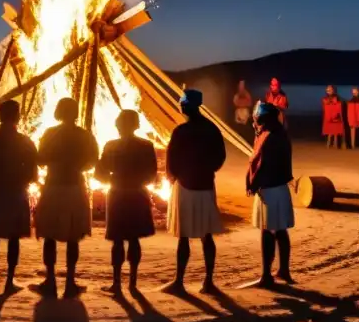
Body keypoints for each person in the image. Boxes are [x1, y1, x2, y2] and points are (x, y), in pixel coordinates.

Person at [34, 97, 99, 298]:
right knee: (73, 237)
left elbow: (40, 159)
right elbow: (93, 161)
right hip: (74, 186)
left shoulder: (50, 134)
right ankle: (70, 282)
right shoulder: (85, 135)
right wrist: (76, 165)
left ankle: (51, 280)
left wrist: (56, 162)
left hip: (53, 186)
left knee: (50, 235)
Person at [163, 89, 226, 295]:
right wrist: (207, 170)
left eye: (183, 103)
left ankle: (179, 281)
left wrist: (175, 176)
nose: (181, 106)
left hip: (186, 187)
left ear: (188, 106)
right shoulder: (212, 129)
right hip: (205, 185)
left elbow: (170, 159)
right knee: (206, 236)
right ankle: (208, 281)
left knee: (184, 236)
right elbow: (220, 157)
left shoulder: (180, 131)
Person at [0, 99, 38, 293]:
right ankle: (10, 279)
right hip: (16, 192)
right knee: (13, 238)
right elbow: (32, 170)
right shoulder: (24, 142)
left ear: (0, 116)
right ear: (17, 117)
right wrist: (23, 179)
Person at [94, 109, 158, 294]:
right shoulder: (146, 145)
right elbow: (151, 174)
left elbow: (99, 172)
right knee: (134, 238)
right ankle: (133, 282)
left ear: (118, 125)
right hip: (138, 194)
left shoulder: (111, 146)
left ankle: (116, 283)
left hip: (118, 194)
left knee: (117, 240)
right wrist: (136, 181)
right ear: (136, 125)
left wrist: (114, 179)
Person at [245, 101, 295, 288]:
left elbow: (260, 164)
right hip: (279, 188)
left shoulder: (269, 136)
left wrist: (252, 183)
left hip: (269, 189)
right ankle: (284, 270)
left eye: (257, 118)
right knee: (281, 229)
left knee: (267, 231)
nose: (255, 120)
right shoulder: (279, 133)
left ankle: (266, 276)